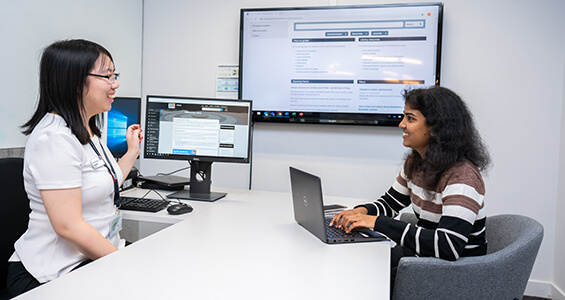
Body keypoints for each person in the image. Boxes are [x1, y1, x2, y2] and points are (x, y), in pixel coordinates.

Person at [6, 39, 143, 297]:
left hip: (91, 259)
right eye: (107, 76)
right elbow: (68, 226)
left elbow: (108, 181)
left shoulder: (87, 129)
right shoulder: (54, 139)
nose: (115, 84)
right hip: (52, 273)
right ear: (74, 81)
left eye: (115, 75)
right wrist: (124, 262)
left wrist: (132, 151)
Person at [330, 86, 491, 290]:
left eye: (410, 118)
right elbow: (389, 203)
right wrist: (360, 212)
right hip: (424, 259)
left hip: (456, 274)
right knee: (355, 262)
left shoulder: (462, 175)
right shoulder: (416, 163)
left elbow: (448, 245)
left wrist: (376, 222)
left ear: (435, 127)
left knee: (364, 279)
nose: (401, 124)